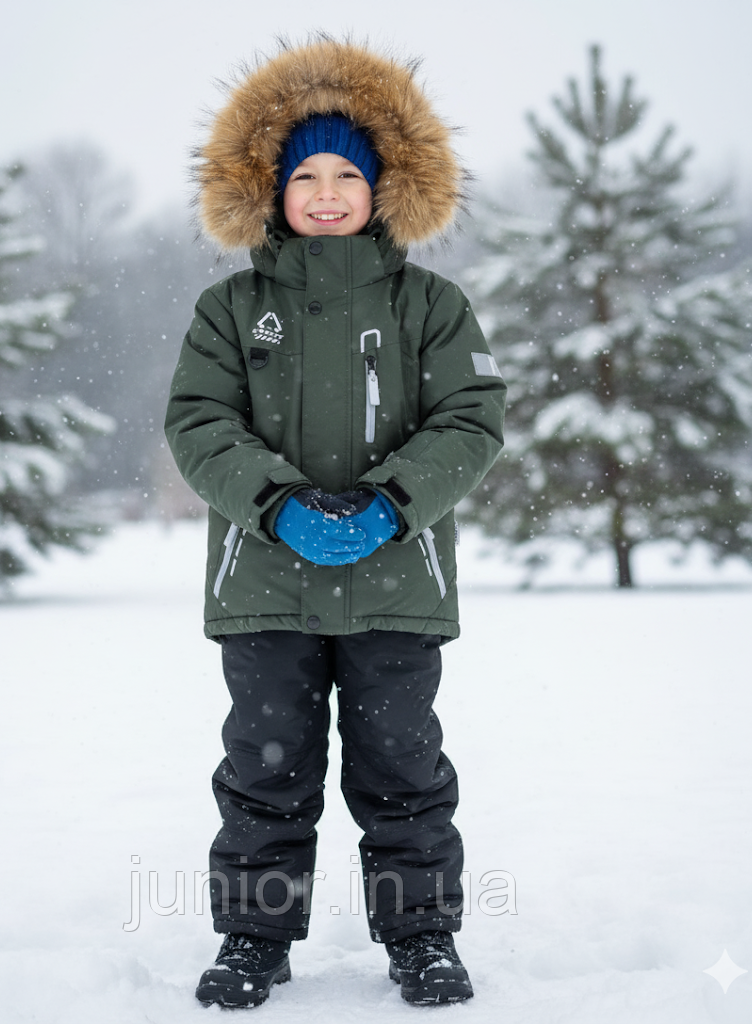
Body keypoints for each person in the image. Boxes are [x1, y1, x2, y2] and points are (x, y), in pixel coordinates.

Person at [165, 37, 506, 1009]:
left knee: (402, 769)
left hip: (396, 585)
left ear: (384, 185)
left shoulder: (430, 307)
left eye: (344, 174)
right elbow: (197, 421)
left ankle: (422, 938)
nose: (322, 192)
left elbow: (471, 418)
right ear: (266, 189)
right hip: (263, 583)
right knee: (265, 773)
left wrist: (392, 503)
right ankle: (253, 940)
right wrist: (275, 504)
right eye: (302, 174)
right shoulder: (230, 310)